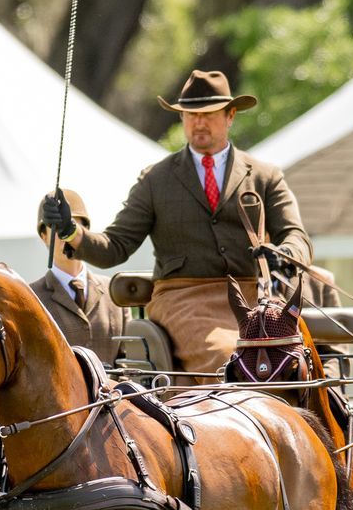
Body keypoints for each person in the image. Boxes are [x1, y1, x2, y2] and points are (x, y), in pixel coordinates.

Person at [42, 69, 311, 377]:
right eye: (189, 114)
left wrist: (284, 254)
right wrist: (71, 231)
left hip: (254, 299)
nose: (198, 122)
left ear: (230, 115)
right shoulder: (156, 179)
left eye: (208, 114)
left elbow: (296, 235)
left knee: (298, 357)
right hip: (184, 301)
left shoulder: (265, 176)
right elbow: (115, 247)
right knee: (232, 355)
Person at [28, 188, 128, 365]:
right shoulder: (31, 298)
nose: (66, 236)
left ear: (85, 231)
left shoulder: (114, 293)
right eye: (58, 228)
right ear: (44, 236)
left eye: (72, 226)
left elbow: (130, 361)